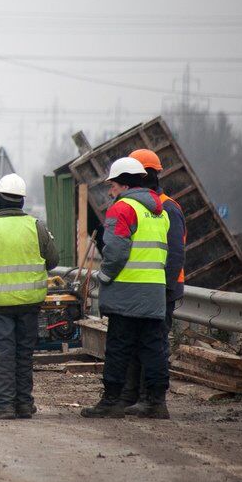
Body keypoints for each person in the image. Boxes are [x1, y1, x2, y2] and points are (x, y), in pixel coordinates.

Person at [82, 157, 172, 420]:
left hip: (126, 292)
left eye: (113, 185)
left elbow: (116, 252)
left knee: (119, 347)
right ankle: (156, 402)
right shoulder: (159, 211)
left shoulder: (122, 209)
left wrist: (105, 276)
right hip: (154, 291)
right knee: (153, 347)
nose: (110, 191)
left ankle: (112, 402)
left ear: (123, 185)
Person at [0, 173, 59, 420]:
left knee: (2, 354)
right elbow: (53, 260)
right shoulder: (37, 226)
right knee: (24, 353)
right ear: (22, 201)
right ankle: (24, 405)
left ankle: (4, 406)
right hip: (30, 302)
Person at [120, 148, 186, 416]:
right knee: (138, 344)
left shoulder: (168, 207)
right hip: (146, 289)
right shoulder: (143, 206)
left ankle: (153, 400)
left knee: (153, 345)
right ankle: (134, 397)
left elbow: (175, 253)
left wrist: (165, 288)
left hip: (160, 290)